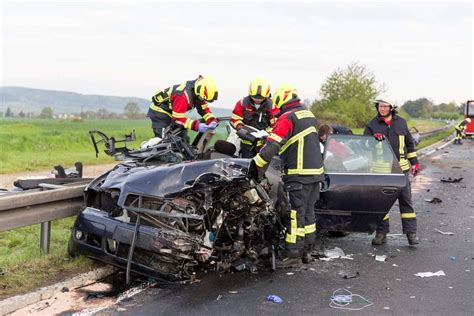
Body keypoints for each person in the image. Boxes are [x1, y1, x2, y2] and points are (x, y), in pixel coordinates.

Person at [252, 84, 324, 268]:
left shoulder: (287, 117)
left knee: (295, 215)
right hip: (315, 174)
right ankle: (307, 251)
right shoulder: (308, 114)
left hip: (298, 175)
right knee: (308, 214)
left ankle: (292, 254)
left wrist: (256, 166)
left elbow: (273, 148)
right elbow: (297, 141)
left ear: (280, 99)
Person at [364, 100, 420, 246]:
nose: (382, 109)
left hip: (401, 170)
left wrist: (414, 162)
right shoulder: (372, 125)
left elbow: (409, 144)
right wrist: (372, 140)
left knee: (406, 202)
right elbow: (364, 145)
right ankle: (381, 233)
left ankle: (411, 234)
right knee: (380, 204)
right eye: (380, 106)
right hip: (380, 170)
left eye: (385, 106)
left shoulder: (401, 123)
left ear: (391, 107)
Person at [147, 75, 219, 141]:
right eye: (203, 99)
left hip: (172, 113)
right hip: (160, 112)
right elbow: (178, 119)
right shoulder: (182, 96)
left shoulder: (197, 95)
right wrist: (197, 126)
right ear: (198, 92)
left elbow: (204, 109)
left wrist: (212, 120)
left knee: (182, 139)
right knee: (163, 141)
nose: (203, 101)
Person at [231, 77, 275, 158]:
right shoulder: (242, 103)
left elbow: (275, 125)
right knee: (246, 167)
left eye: (261, 98)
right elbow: (234, 119)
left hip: (264, 145)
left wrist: (268, 135)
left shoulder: (271, 106)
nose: (257, 100)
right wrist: (240, 127)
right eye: (254, 97)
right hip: (246, 144)